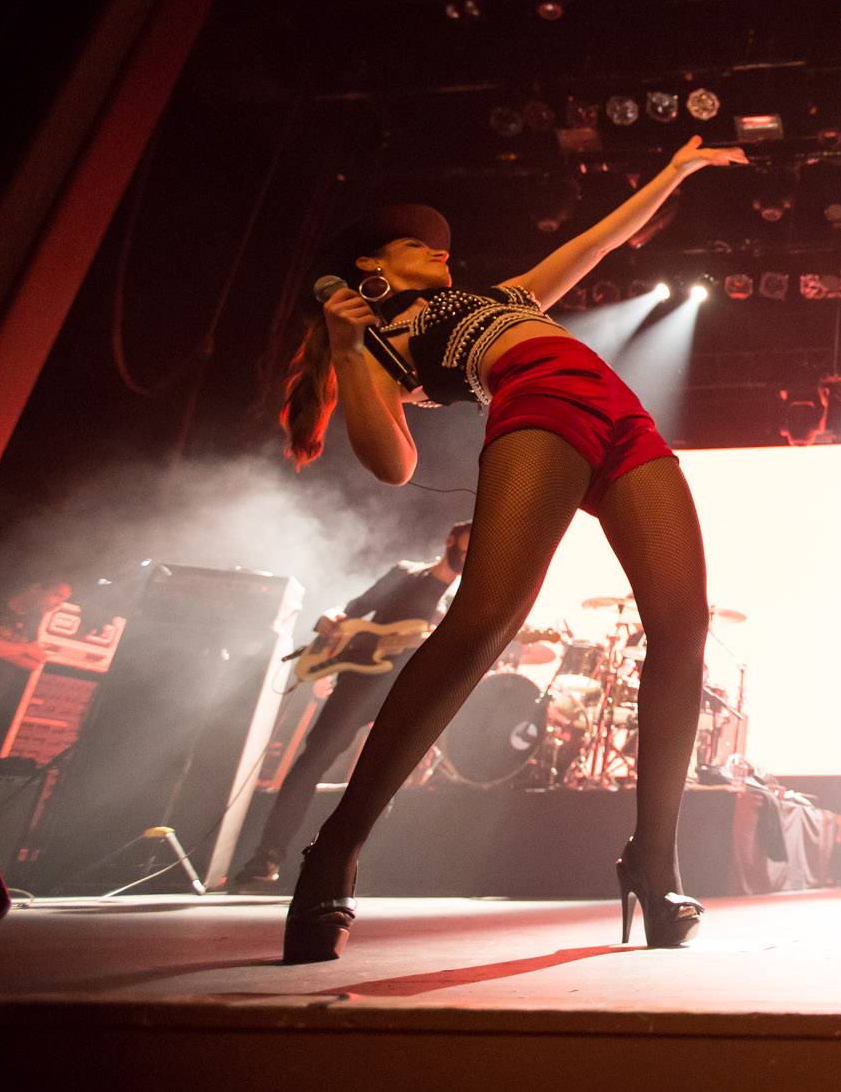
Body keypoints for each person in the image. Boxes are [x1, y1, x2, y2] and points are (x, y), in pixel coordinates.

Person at [275, 132, 746, 962]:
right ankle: (335, 849)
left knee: (684, 629)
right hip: (537, 404)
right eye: (419, 245)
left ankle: (653, 861)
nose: (441, 253)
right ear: (373, 269)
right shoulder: (385, 344)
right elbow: (394, 464)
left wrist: (675, 172)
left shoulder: (512, 294)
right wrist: (348, 351)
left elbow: (598, 240)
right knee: (486, 616)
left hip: (621, 413)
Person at [227, 523, 469, 890]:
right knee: (312, 761)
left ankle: (341, 866)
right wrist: (332, 615)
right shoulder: (406, 573)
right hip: (360, 682)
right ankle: (268, 854)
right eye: (467, 546)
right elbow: (356, 607)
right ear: (450, 539)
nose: (471, 554)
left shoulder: (462, 600)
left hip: (407, 691)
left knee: (380, 778)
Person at [0, 579, 72, 756]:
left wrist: (1, 649)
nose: (58, 603)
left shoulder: (33, 620)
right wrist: (23, 648)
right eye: (56, 595)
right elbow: (27, 651)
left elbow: (34, 661)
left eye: (63, 600)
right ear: (36, 587)